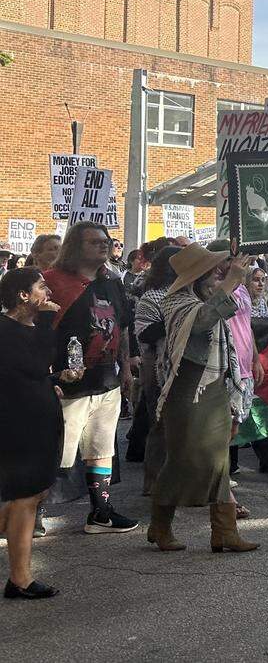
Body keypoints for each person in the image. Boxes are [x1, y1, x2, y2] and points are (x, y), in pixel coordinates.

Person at [147, 244, 259, 553]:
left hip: (214, 387)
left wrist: (231, 281)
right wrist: (231, 280)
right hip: (187, 389)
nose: (219, 274)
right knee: (183, 460)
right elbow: (202, 321)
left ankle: (224, 531)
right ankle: (160, 524)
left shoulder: (203, 298)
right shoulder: (177, 301)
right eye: (214, 271)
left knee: (219, 462)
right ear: (197, 275)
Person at [42, 222, 137, 534]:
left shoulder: (112, 282)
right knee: (58, 451)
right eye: (94, 241)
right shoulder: (53, 282)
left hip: (106, 379)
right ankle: (30, 512)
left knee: (101, 448)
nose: (104, 245)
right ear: (75, 246)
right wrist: (44, 375)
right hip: (67, 382)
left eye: (105, 240)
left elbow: (122, 327)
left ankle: (101, 512)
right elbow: (38, 330)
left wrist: (125, 368)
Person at [0, 269, 79, 599]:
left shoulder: (31, 328)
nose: (48, 292)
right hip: (17, 424)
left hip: (38, 419)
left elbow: (35, 371)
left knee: (32, 495)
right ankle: (20, 579)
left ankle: (19, 577)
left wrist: (54, 381)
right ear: (23, 295)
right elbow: (33, 364)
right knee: (25, 497)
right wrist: (47, 321)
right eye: (41, 286)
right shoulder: (7, 328)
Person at [204, 241, 268, 475]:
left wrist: (255, 359)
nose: (236, 263)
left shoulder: (241, 288)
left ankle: (228, 470)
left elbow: (247, 325)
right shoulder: (213, 288)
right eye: (229, 259)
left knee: (236, 421)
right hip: (224, 364)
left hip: (244, 364)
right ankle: (221, 474)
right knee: (223, 424)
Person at [131, 245, 181, 492]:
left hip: (183, 367)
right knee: (160, 425)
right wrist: (178, 319)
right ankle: (154, 482)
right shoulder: (152, 297)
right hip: (157, 367)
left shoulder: (188, 293)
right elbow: (144, 332)